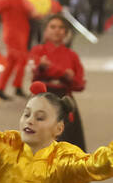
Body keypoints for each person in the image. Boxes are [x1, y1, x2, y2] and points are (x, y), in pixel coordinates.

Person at [29, 14, 86, 150]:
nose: (57, 30)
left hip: (65, 101)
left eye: (61, 28)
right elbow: (35, 73)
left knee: (69, 143)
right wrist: (63, 73)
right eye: (52, 27)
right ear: (45, 31)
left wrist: (67, 77)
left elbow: (80, 84)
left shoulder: (72, 55)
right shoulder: (38, 51)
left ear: (66, 33)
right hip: (42, 100)